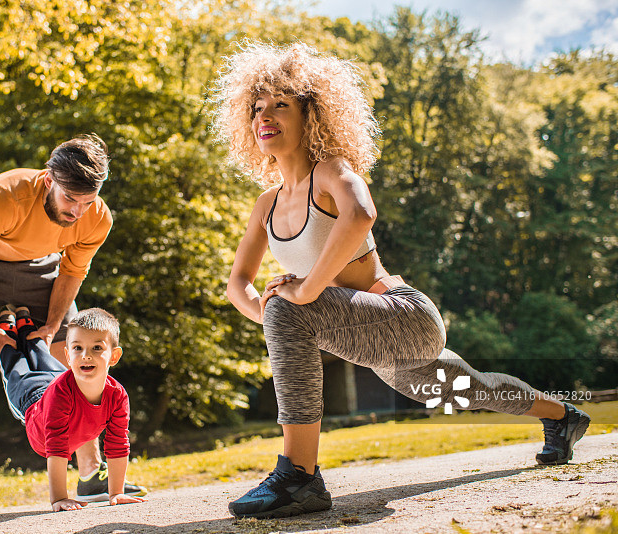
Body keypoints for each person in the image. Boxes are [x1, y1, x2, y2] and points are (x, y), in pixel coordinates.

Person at [211, 42, 591, 519]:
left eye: (281, 105)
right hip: (376, 344)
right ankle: (564, 418)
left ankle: (300, 476)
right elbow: (237, 283)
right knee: (473, 390)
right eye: (258, 108)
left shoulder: (330, 172)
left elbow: (361, 213)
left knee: (290, 306)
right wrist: (266, 309)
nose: (266, 115)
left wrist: (303, 292)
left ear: (311, 115)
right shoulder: (266, 204)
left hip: (404, 315)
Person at [0, 134, 131, 520]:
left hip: (41, 268)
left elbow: (72, 270)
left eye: (87, 201)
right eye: (70, 199)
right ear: (49, 180)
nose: (78, 211)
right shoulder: (4, 196)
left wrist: (52, 326)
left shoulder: (96, 217)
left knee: (74, 350)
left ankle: (90, 473)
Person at [0, 305, 147, 511]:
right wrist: (59, 498)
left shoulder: (117, 395)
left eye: (97, 348)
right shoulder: (61, 392)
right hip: (31, 400)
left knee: (36, 355)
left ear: (114, 356)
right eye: (77, 348)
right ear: (67, 354)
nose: (86, 355)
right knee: (15, 362)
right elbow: (56, 445)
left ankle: (20, 327)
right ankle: (14, 328)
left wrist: (116, 493)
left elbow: (117, 443)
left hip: (55, 383)